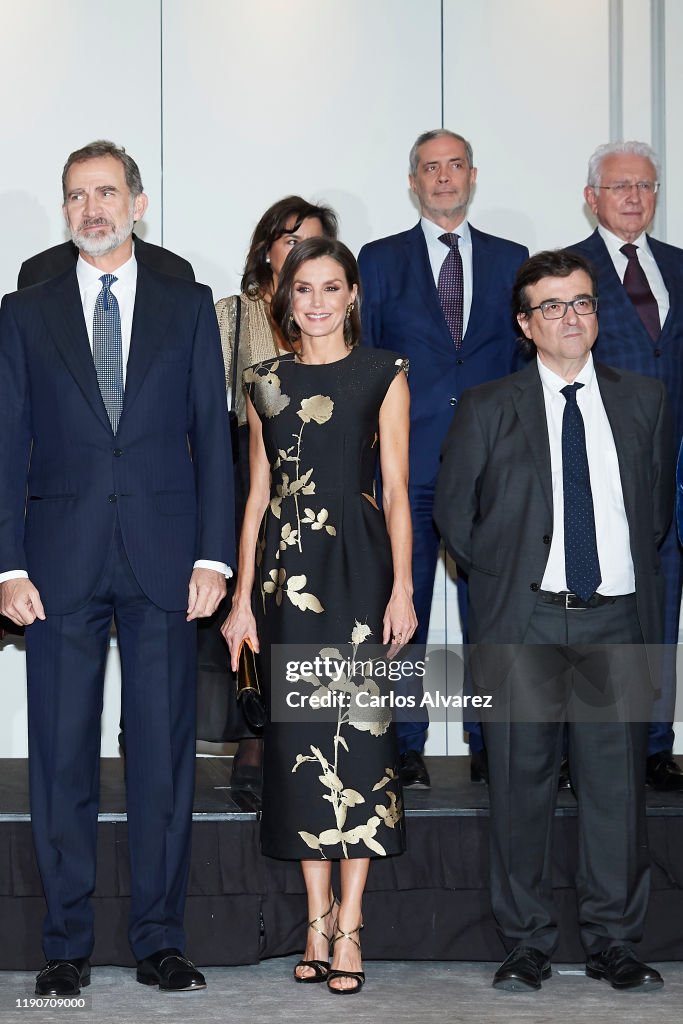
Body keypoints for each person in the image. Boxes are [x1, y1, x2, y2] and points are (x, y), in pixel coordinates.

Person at [0, 140, 234, 996]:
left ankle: (159, 940)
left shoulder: (188, 305)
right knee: (60, 758)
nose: (90, 208)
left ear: (139, 201)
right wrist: (5, 566)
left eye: (105, 192)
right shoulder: (25, 311)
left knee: (163, 760)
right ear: (64, 212)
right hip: (55, 568)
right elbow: (5, 447)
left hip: (167, 565)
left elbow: (212, 436)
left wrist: (214, 556)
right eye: (75, 196)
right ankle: (64, 944)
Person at [434, 249, 672, 993]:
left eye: (581, 304)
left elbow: (654, 512)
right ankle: (527, 941)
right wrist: (513, 585)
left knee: (615, 797)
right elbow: (454, 517)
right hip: (525, 622)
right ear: (523, 324)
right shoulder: (486, 405)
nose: (569, 319)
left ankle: (613, 940)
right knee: (517, 789)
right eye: (551, 307)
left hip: (615, 624)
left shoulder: (645, 401)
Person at [222, 237, 413, 993]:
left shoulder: (383, 372)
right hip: (284, 579)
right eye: (304, 289)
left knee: (360, 745)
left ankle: (352, 923)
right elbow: (256, 496)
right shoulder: (262, 381)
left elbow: (396, 489)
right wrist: (239, 601)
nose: (317, 302)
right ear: (285, 297)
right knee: (302, 743)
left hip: (360, 572)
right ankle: (313, 918)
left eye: (331, 288)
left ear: (352, 294)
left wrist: (402, 587)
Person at [358, 129, 528, 787]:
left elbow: (523, 363)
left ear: (472, 175)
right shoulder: (377, 261)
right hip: (406, 471)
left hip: (493, 473)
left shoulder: (512, 258)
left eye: (454, 165)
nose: (443, 176)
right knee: (403, 615)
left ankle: (493, 743)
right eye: (430, 167)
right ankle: (403, 743)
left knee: (495, 617)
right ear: (413, 181)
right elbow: (366, 363)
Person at [199, 197, 338, 793]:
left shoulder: (335, 314)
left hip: (319, 480)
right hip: (241, 478)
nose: (299, 249)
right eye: (288, 240)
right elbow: (201, 411)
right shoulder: (230, 314)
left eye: (312, 239)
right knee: (249, 607)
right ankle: (254, 741)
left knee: (306, 615)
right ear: (266, 251)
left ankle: (305, 744)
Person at [569, 141, 683, 791]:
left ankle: (653, 745)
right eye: (620, 187)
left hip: (672, 479)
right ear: (591, 198)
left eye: (644, 186)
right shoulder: (566, 272)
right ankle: (587, 749)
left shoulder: (676, 267)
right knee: (591, 618)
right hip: (597, 477)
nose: (634, 197)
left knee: (662, 616)